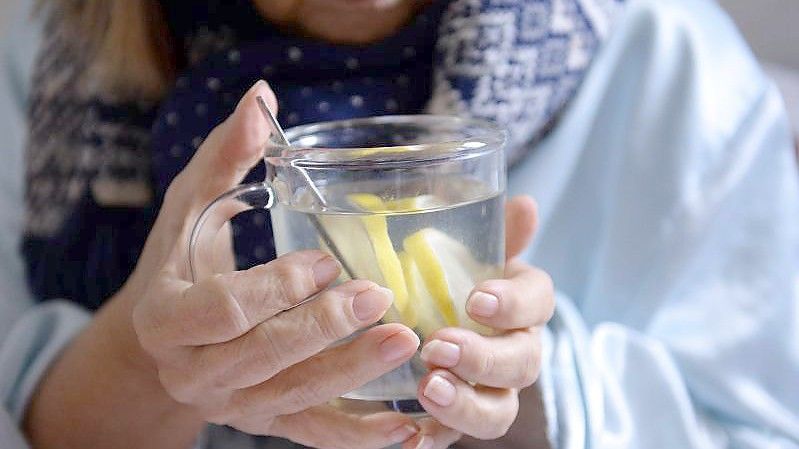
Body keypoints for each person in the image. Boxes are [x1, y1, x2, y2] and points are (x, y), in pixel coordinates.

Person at [4, 0, 799, 448]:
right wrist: (146, 359)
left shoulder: (671, 64)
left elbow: (761, 427)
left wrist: (519, 391)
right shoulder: (43, 58)